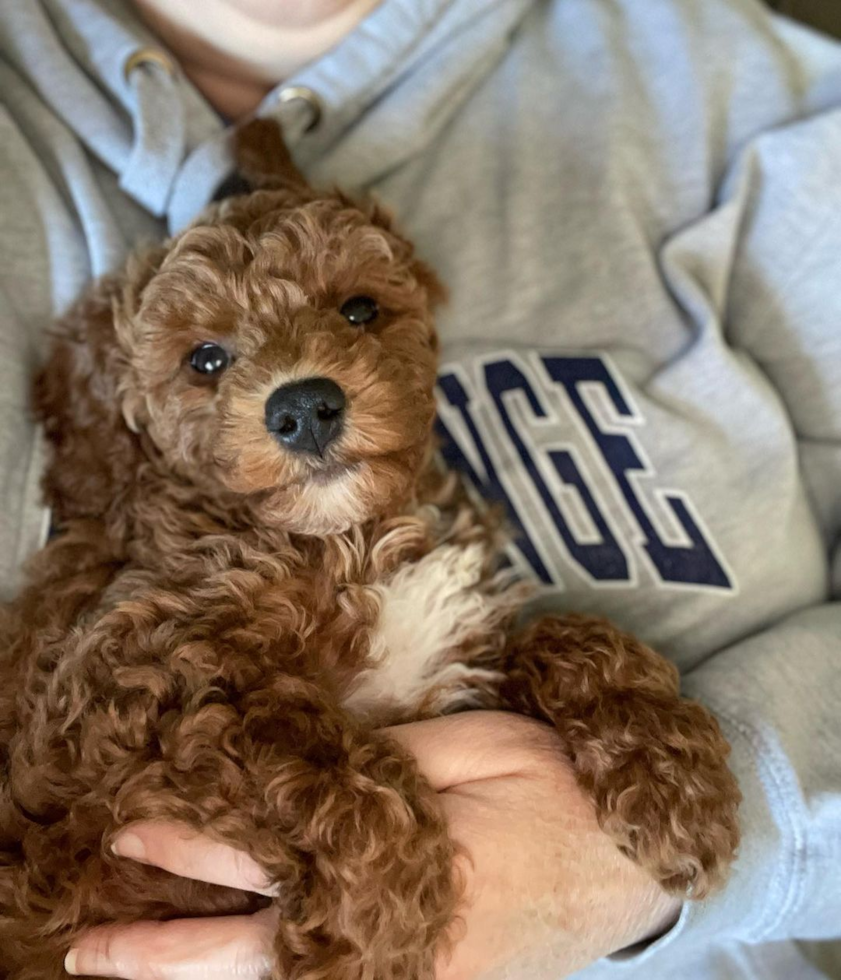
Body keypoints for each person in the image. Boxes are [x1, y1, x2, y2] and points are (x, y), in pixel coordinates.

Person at [1, 0, 840, 977]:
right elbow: (138, 710)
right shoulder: (177, 556)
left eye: (358, 310)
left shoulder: (756, 101)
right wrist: (376, 869)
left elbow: (462, 672)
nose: (297, 395)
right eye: (210, 360)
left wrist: (665, 852)